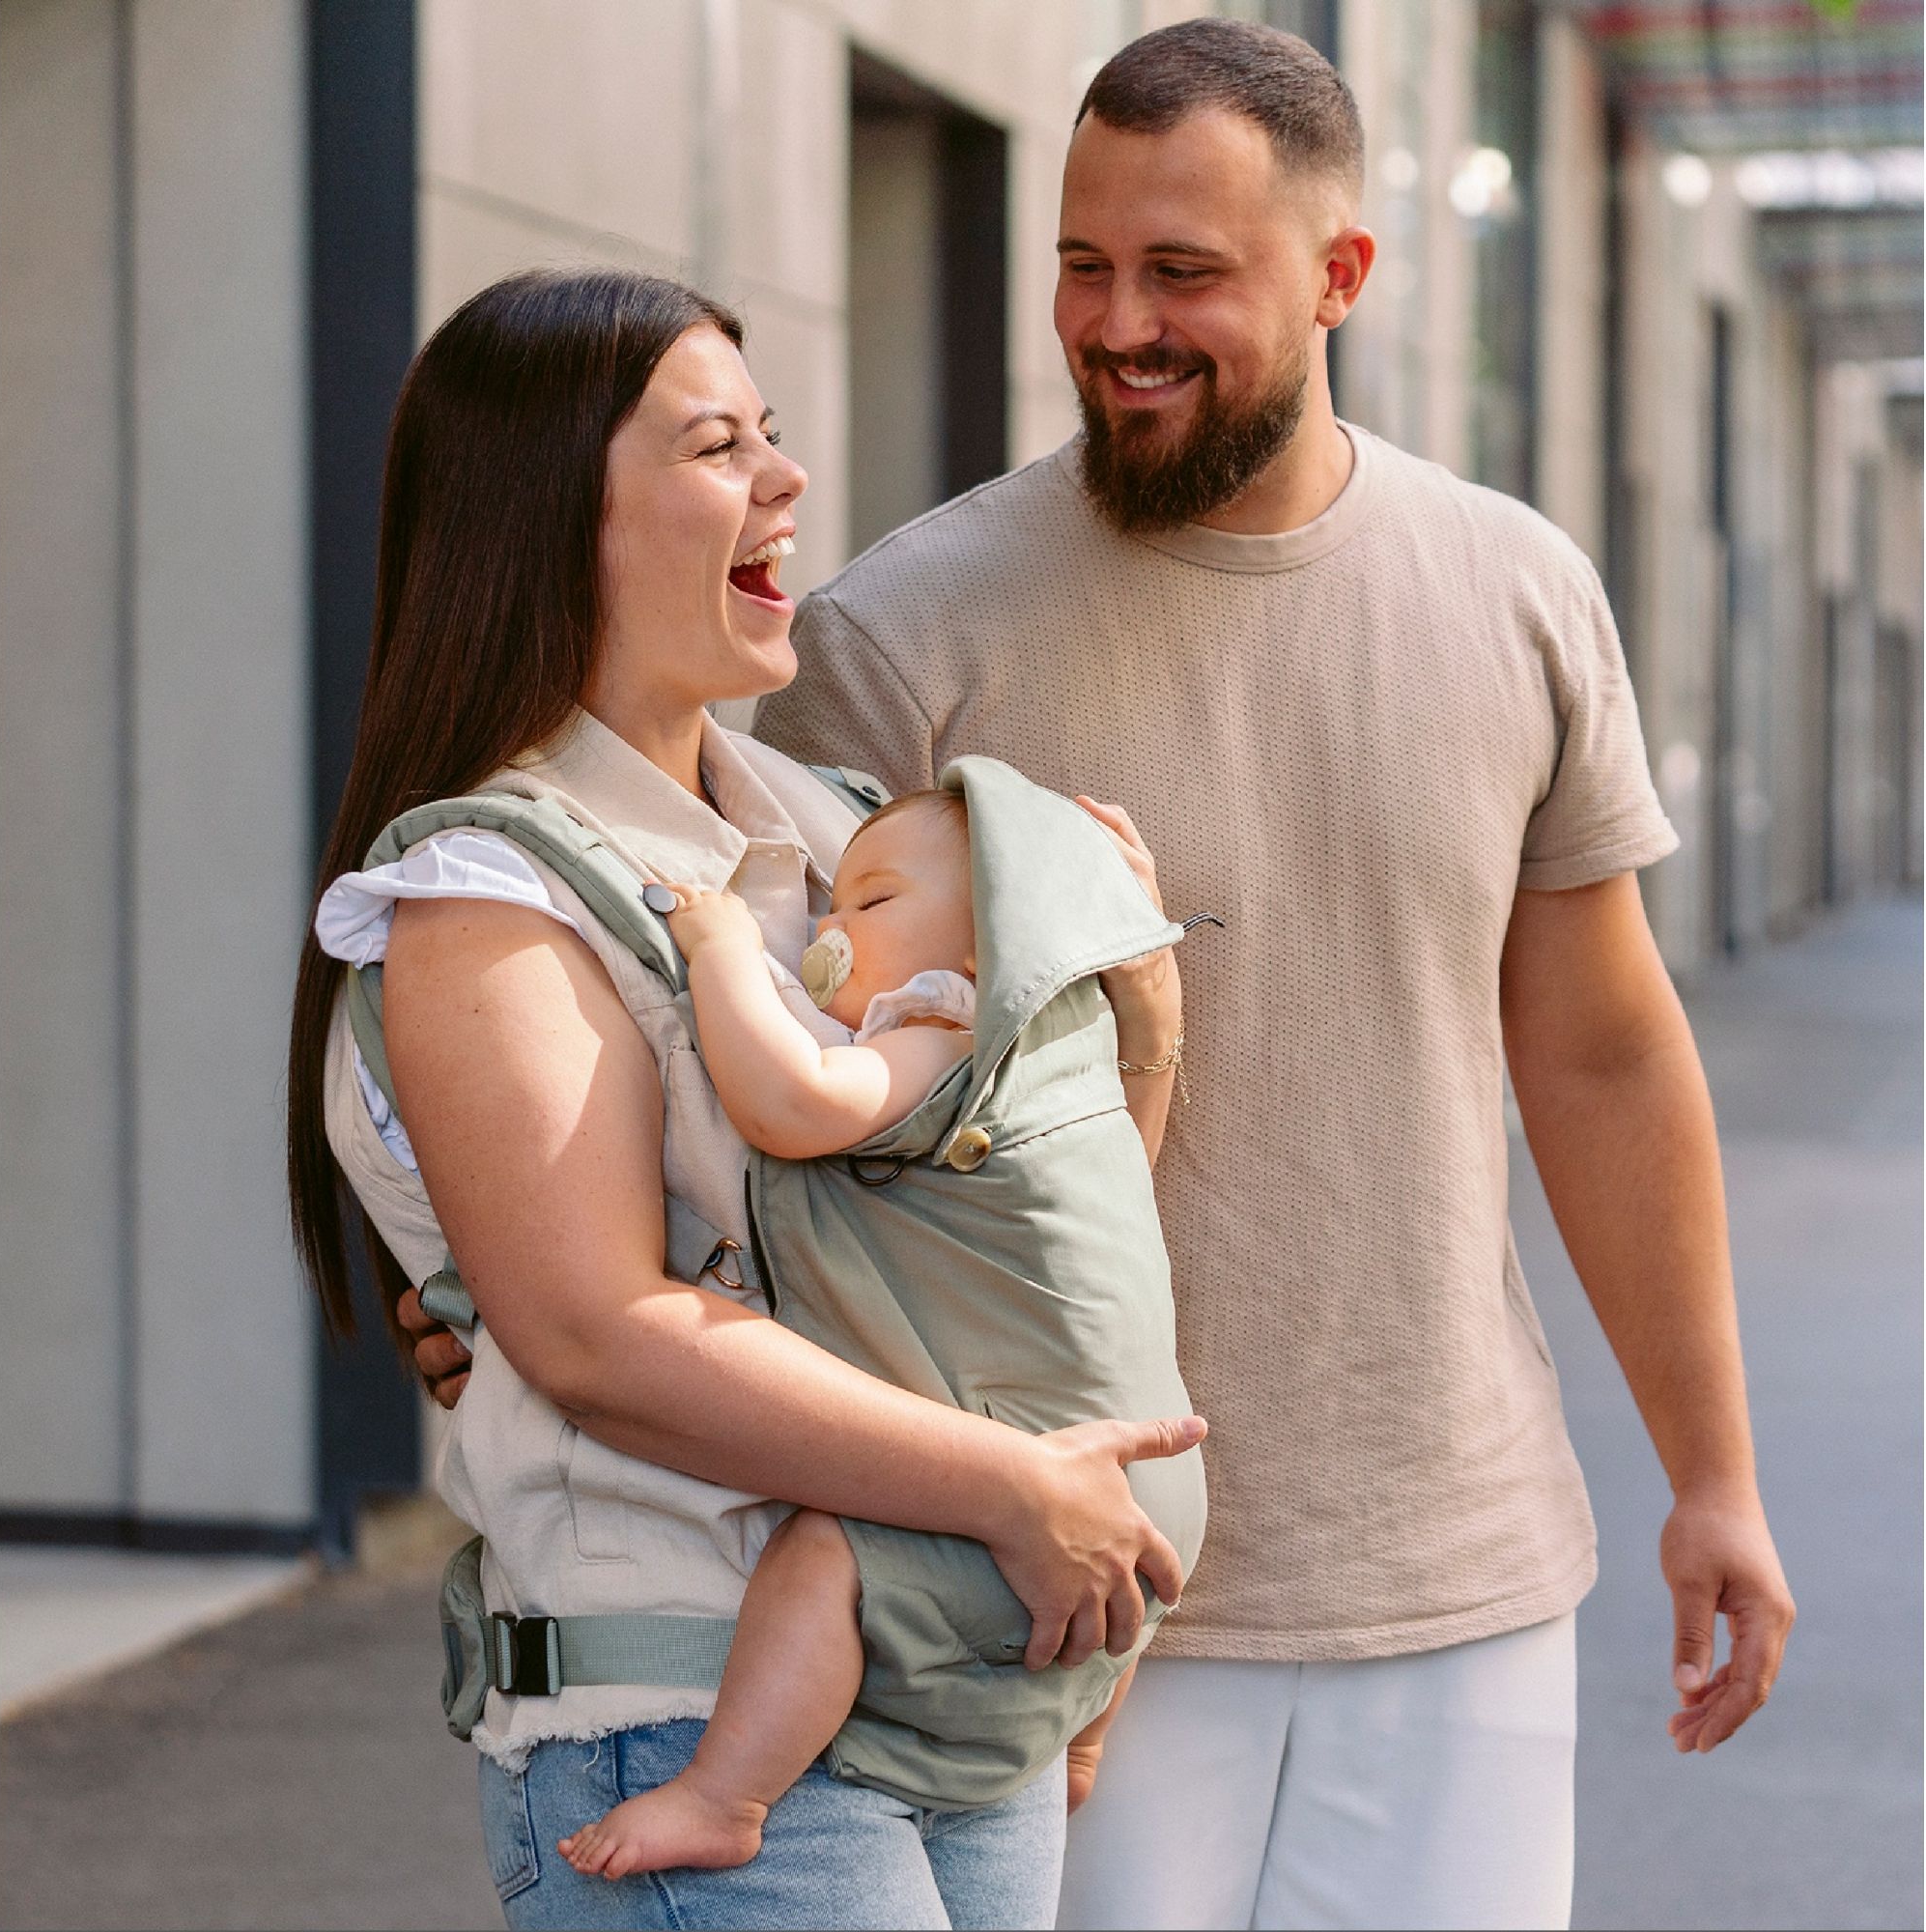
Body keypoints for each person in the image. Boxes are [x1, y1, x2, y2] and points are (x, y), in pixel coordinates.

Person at [756, 20, 1799, 1930]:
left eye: (1182, 273)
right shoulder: (903, 636)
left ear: (1338, 280)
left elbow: (1599, 1052)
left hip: (1453, 1564)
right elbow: (772, 1102)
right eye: (1084, 263)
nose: (1115, 322)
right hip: (1049, 1588)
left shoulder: (1513, 590)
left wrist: (1708, 1473)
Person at [291, 267, 1204, 1932]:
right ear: (550, 520)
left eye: (772, 435)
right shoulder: (489, 893)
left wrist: (1140, 1030)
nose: (787, 479)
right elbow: (597, 1338)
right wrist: (1009, 1489)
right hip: (688, 1723)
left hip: (944, 1689)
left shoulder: (851, 826)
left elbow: (1020, 1216)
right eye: (720, 447)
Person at [557, 775, 1205, 1882]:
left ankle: (726, 1791)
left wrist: (718, 946)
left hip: (1056, 1479)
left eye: (870, 900)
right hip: (1158, 1495)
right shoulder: (1071, 1061)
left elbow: (793, 1101)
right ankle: (1075, 1734)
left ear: (993, 941)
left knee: (824, 1553)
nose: (827, 926)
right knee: (1113, 1613)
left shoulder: (944, 1027)